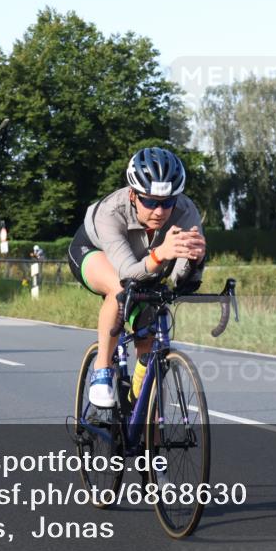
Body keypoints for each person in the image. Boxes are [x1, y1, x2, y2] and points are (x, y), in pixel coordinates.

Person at [67, 147, 206, 408]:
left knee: (148, 331)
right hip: (94, 251)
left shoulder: (187, 211)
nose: (160, 211)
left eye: (167, 202)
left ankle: (141, 416)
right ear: (133, 194)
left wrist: (195, 261)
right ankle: (102, 369)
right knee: (119, 290)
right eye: (150, 201)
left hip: (144, 264)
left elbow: (178, 281)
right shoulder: (112, 210)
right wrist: (161, 254)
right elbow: (127, 272)